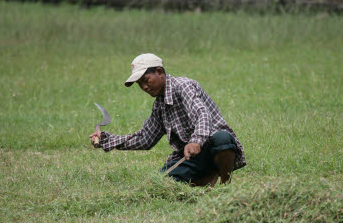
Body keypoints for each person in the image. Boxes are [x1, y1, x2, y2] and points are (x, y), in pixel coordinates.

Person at [90, 53, 246, 187]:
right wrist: (106, 139)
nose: (144, 87)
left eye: (146, 80)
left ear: (159, 72)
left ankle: (226, 184)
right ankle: (207, 177)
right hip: (190, 156)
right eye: (140, 84)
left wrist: (196, 141)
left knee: (222, 138)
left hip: (212, 146)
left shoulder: (184, 86)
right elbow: (145, 139)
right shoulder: (159, 106)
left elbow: (202, 114)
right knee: (162, 181)